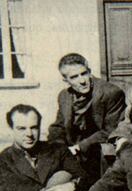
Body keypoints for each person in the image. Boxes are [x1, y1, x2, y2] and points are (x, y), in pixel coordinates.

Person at [48, 53, 126, 181]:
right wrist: (60, 148)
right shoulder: (64, 96)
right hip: (71, 152)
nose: (82, 81)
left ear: (89, 71)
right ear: (66, 80)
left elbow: (110, 130)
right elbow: (58, 126)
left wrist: (79, 147)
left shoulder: (111, 93)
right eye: (74, 77)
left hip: (97, 152)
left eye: (84, 73)